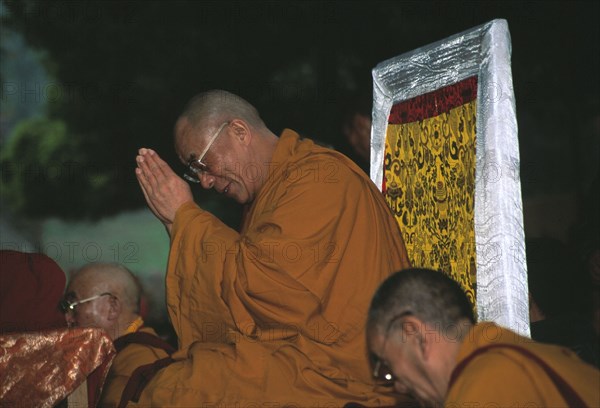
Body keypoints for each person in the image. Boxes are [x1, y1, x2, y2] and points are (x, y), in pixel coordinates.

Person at [134, 89, 411, 406]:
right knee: (183, 376)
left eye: (201, 163)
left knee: (179, 390)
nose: (206, 182)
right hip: (303, 362)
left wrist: (185, 218)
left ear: (239, 132)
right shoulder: (271, 194)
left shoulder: (321, 178)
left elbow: (271, 292)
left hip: (345, 377)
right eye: (194, 173)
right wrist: (179, 225)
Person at [367, 268, 600, 407]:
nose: (396, 385)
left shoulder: (488, 384)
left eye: (386, 364)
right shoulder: (514, 354)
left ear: (414, 334)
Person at [63, 262, 172, 407]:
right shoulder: (114, 353)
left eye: (74, 306)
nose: (68, 318)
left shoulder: (138, 362)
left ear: (112, 308)